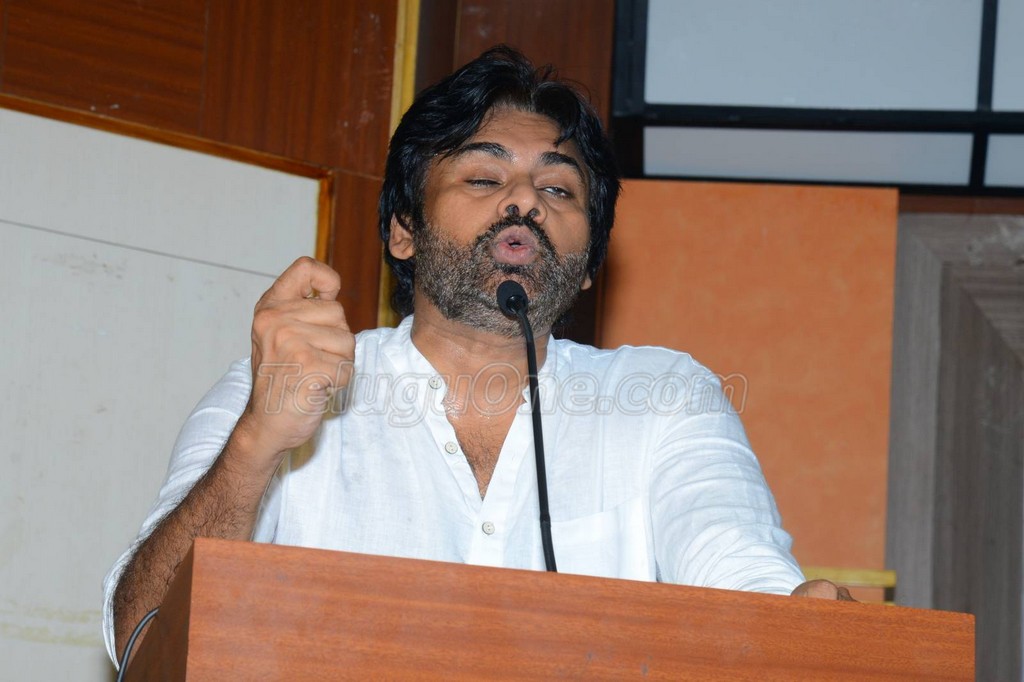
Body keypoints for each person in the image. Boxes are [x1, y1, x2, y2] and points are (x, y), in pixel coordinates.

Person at [104, 45, 848, 666]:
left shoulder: (665, 396)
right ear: (404, 230)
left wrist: (804, 622)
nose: (525, 201)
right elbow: (142, 637)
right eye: (485, 177)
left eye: (560, 188)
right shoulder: (278, 388)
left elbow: (741, 575)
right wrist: (256, 443)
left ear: (588, 265)